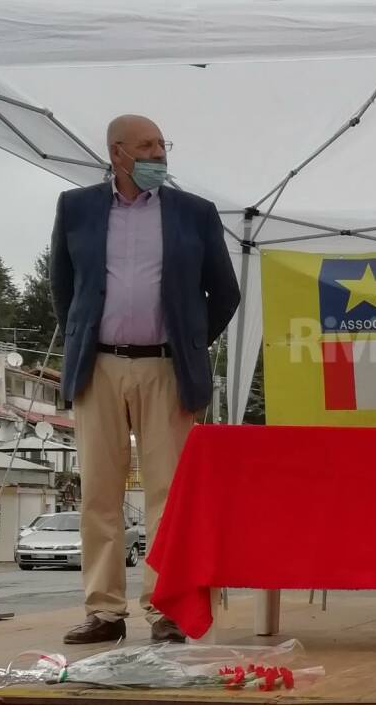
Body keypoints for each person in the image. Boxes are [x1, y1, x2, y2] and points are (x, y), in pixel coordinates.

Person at [50, 115, 240, 645]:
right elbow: (63, 289)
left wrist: (188, 342)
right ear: (117, 153)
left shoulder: (195, 214)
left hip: (168, 368)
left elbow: (224, 293)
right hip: (98, 368)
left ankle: (166, 609)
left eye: (162, 144)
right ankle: (104, 612)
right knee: (99, 493)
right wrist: (84, 339)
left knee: (168, 494)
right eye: (147, 145)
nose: (159, 153)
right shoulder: (76, 208)